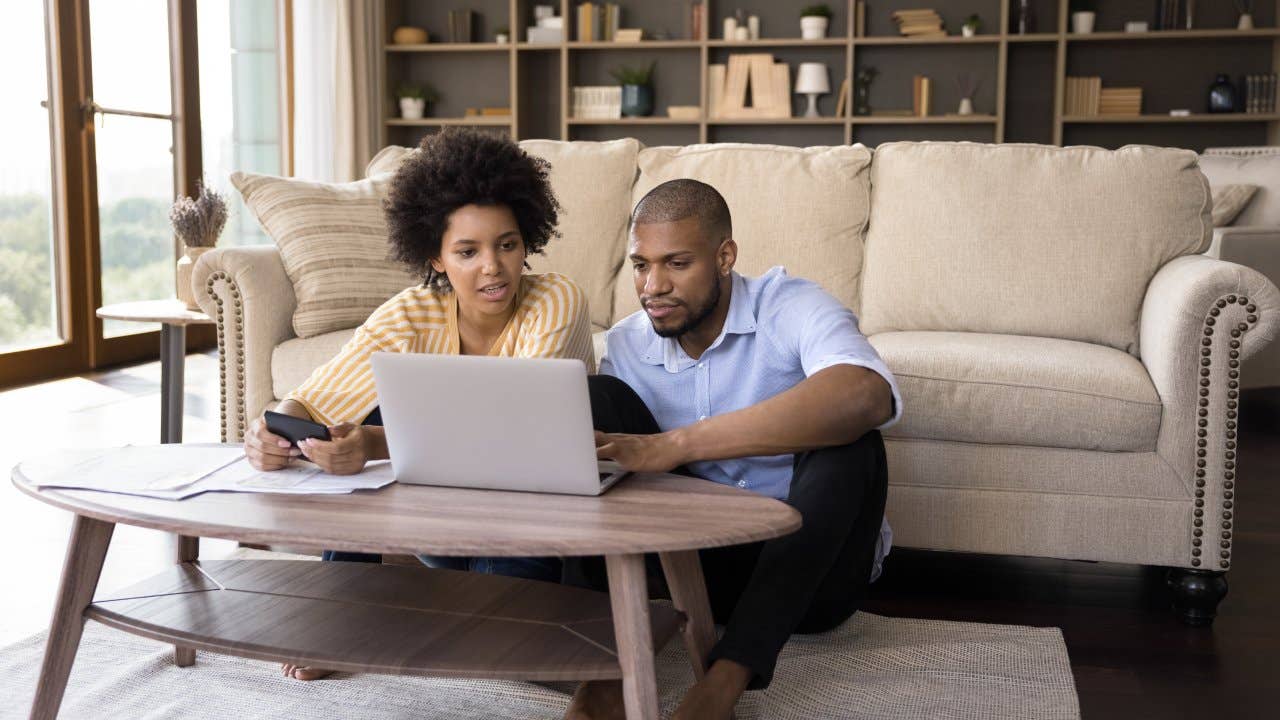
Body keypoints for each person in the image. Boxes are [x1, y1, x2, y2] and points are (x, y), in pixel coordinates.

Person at [241, 127, 593, 680]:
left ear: (528, 240)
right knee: (353, 432)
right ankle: (342, 617)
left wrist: (376, 443)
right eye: (468, 251)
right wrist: (272, 431)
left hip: (528, 520)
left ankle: (431, 609)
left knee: (504, 651)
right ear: (435, 256)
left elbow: (516, 431)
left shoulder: (556, 299)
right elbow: (312, 400)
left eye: (507, 244)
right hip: (439, 525)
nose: (493, 267)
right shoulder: (410, 312)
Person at [567, 179, 901, 720]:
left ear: (724, 257)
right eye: (640, 265)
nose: (654, 285)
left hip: (810, 578)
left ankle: (723, 682)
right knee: (592, 399)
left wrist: (676, 445)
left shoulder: (789, 306)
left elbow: (866, 394)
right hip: (693, 571)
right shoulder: (628, 344)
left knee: (853, 443)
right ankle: (603, 674)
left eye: (676, 263)